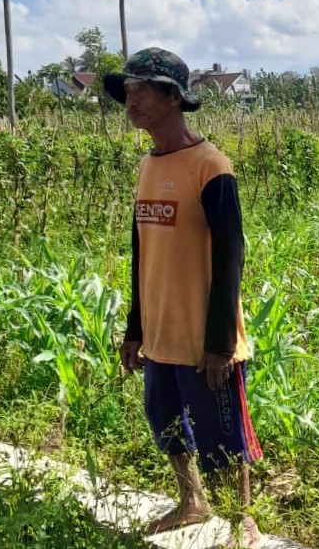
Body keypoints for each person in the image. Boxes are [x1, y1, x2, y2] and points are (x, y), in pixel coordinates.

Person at [104, 47, 262, 546]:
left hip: (203, 340)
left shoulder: (210, 166)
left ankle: (242, 523)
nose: (131, 100)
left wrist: (219, 343)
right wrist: (135, 329)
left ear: (173, 98)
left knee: (222, 434)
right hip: (160, 334)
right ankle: (192, 501)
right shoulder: (148, 165)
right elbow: (141, 253)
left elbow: (231, 257)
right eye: (128, 91)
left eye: (142, 90)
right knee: (166, 422)